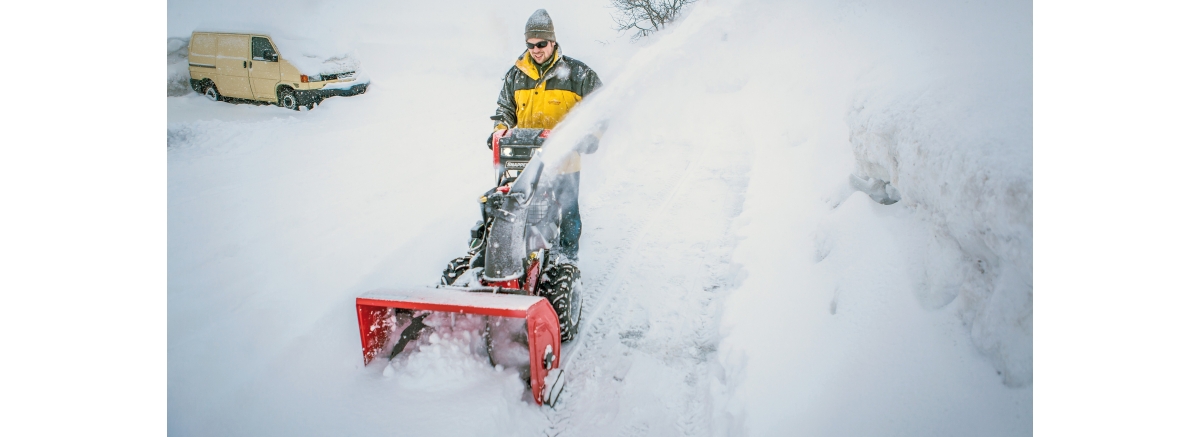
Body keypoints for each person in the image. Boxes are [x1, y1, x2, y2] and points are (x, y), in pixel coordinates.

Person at [490, 9, 602, 262]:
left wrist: (591, 136)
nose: (536, 50)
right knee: (520, 212)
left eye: (541, 44)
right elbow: (504, 110)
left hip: (564, 161)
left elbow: (601, 108)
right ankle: (521, 261)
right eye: (530, 45)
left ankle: (567, 264)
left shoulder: (577, 74)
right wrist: (500, 131)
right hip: (523, 163)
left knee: (568, 212)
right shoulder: (516, 75)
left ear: (553, 41)